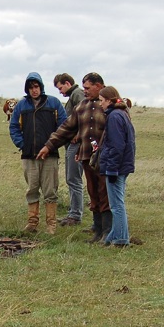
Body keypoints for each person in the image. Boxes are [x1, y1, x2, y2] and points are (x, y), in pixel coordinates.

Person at [37, 72, 110, 241]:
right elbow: (66, 128)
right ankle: (97, 230)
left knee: (105, 193)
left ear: (98, 86)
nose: (84, 91)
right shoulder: (82, 106)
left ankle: (108, 231)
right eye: (83, 88)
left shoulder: (109, 105)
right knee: (93, 193)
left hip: (105, 159)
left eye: (87, 88)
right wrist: (49, 146)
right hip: (87, 157)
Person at [8, 72, 68, 234]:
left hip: (50, 155)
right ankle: (32, 222)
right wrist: (23, 145)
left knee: (50, 190)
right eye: (30, 87)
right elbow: (13, 127)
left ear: (41, 87)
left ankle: (51, 224)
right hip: (29, 156)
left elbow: (63, 127)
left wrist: (52, 145)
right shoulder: (21, 106)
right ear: (27, 89)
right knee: (32, 189)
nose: (34, 90)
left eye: (36, 87)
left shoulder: (54, 103)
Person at [96, 85, 136, 246]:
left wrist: (111, 169)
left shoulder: (114, 117)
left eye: (101, 101)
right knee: (117, 203)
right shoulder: (122, 114)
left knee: (116, 205)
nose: (100, 104)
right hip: (122, 166)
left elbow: (117, 145)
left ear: (109, 100)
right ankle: (114, 236)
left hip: (116, 168)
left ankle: (121, 240)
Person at [51, 73, 85, 225]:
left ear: (67, 83)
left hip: (76, 144)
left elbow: (86, 113)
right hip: (72, 143)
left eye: (60, 88)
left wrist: (78, 134)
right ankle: (73, 212)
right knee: (72, 179)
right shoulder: (73, 96)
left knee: (73, 179)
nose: (60, 92)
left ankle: (75, 215)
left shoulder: (77, 94)